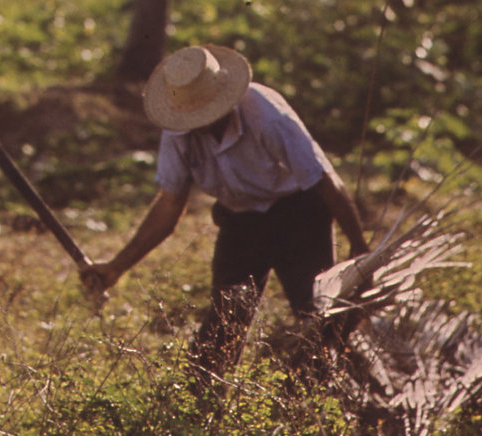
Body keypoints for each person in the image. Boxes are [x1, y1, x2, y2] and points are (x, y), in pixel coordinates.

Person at [80, 44, 369, 392]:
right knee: (222, 325)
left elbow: (324, 179)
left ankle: (340, 395)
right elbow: (169, 206)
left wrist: (359, 246)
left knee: (318, 317)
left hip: (298, 214)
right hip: (240, 222)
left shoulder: (267, 114)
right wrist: (116, 267)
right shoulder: (177, 131)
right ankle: (200, 405)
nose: (198, 125)